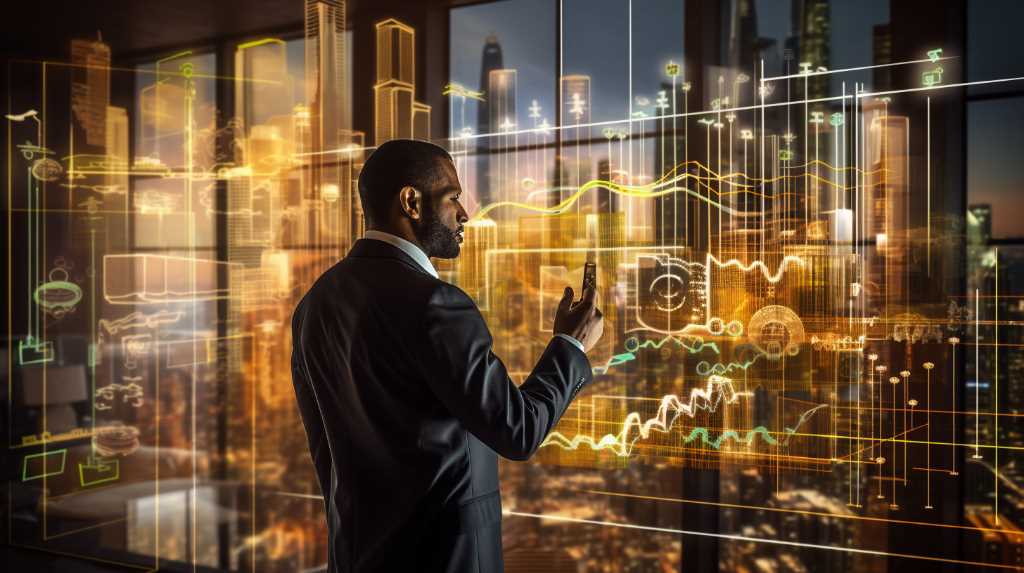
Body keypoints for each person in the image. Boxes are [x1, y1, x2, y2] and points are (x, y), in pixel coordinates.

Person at [291, 139, 604, 572]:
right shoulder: (437, 304)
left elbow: (325, 450)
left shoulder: (315, 303)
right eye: (454, 197)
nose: (465, 213)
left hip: (359, 556)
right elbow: (518, 431)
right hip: (446, 560)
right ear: (411, 202)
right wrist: (570, 346)